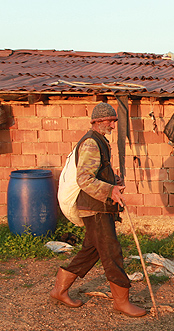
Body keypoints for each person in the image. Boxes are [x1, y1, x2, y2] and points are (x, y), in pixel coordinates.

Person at [50, 102, 147, 317]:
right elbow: (84, 179)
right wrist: (110, 191)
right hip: (95, 208)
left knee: (91, 250)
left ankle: (60, 289)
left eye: (114, 120)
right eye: (110, 120)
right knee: (111, 251)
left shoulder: (99, 141)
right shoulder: (92, 143)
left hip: (97, 206)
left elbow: (96, 173)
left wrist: (113, 181)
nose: (113, 124)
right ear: (97, 121)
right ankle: (121, 302)